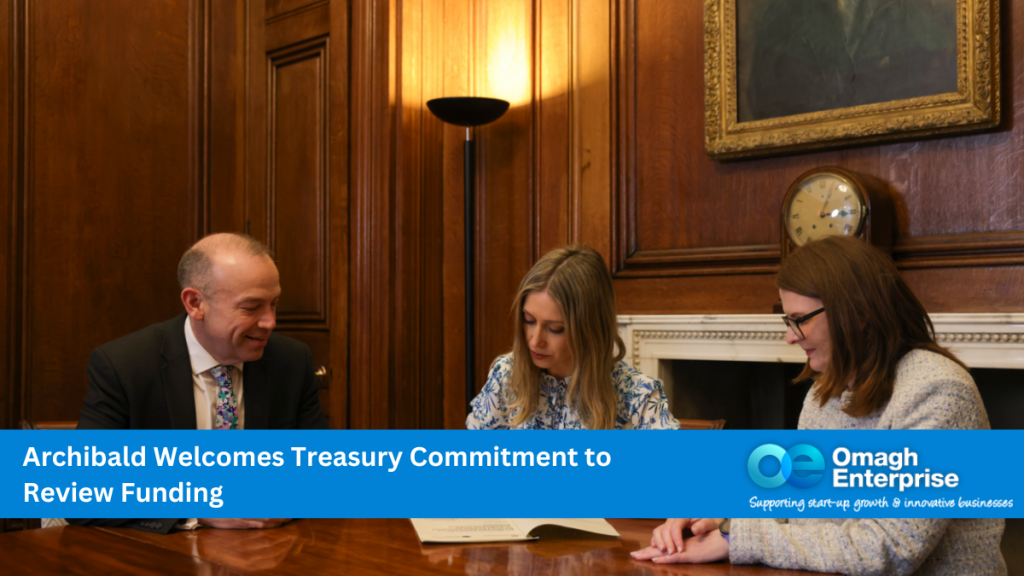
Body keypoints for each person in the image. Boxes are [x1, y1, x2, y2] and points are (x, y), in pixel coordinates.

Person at [631, 236, 1006, 574]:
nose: (789, 337)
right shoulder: (825, 392)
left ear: (858, 313)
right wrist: (721, 518)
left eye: (799, 320)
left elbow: (890, 548)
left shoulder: (937, 390)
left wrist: (738, 540)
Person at [68, 233, 328, 533]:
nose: (270, 322)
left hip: (270, 551)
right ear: (195, 303)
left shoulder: (291, 361)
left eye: (274, 304)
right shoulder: (125, 365)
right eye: (251, 307)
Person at [466, 245, 679, 430]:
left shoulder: (638, 396)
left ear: (589, 329)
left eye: (555, 328)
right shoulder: (506, 375)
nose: (534, 340)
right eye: (529, 320)